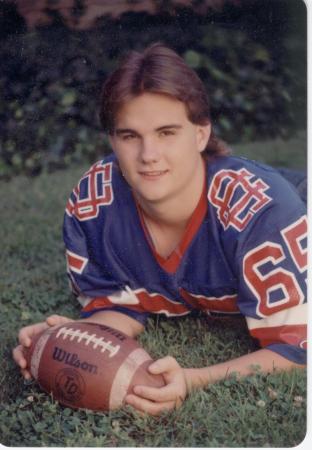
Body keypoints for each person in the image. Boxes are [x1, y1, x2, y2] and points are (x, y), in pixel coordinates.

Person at [13, 43, 307, 416]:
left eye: (167, 132)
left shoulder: (262, 213)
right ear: (112, 141)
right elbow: (118, 306)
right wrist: (63, 339)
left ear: (200, 134)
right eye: (130, 135)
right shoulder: (94, 204)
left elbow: (297, 351)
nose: (148, 154)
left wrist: (192, 377)